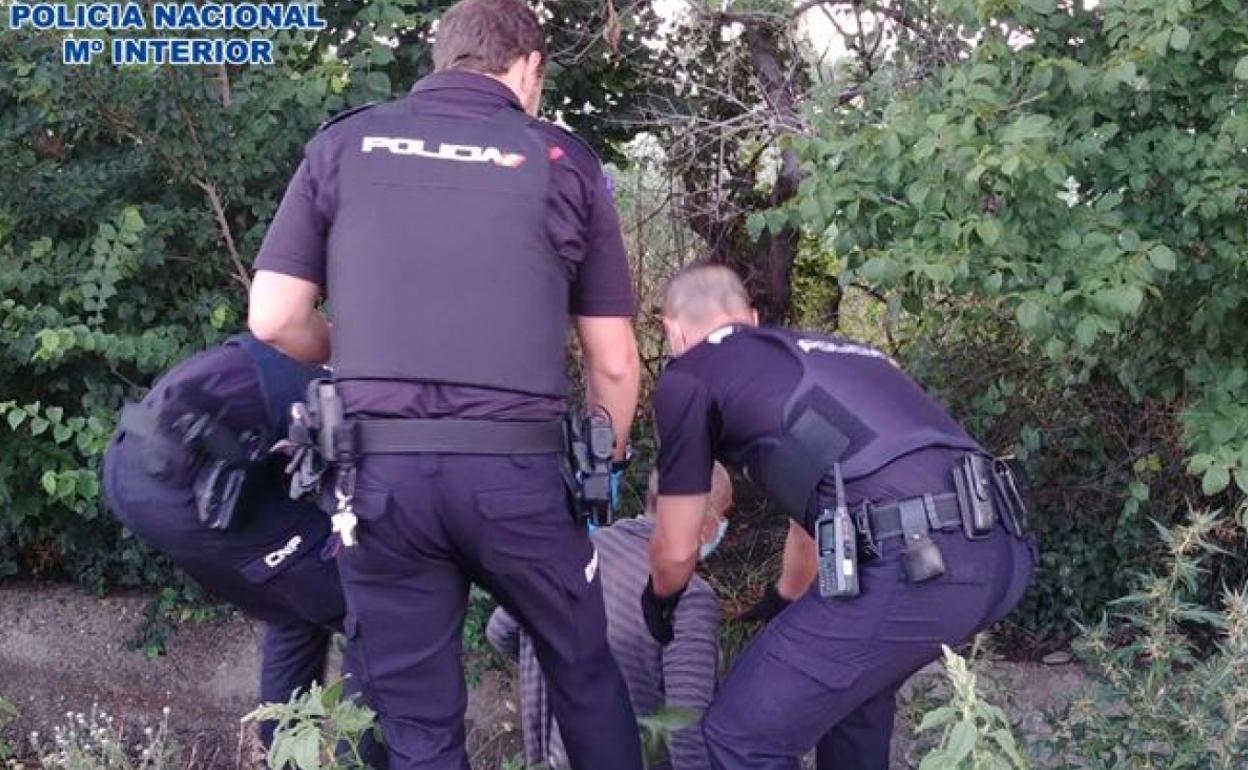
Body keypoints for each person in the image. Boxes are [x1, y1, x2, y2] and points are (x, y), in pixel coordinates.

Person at [245, 0, 645, 767]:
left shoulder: (345, 143)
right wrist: (606, 467)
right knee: (583, 672)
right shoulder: (562, 160)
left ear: (444, 58)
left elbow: (272, 316)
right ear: (527, 67)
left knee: (418, 727)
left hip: (379, 482)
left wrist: (351, 354)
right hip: (519, 480)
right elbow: (615, 361)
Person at [642, 265, 1036, 770]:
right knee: (856, 702)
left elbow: (676, 549)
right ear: (754, 319)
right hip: (1001, 544)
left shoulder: (691, 373)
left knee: (738, 739)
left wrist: (660, 598)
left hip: (917, 558)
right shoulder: (844, 357)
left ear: (672, 328)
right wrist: (785, 596)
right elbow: (822, 502)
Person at [100, 335, 359, 752]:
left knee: (296, 605)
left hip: (141, 463)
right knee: (367, 608)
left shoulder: (290, 345)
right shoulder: (350, 383)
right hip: (179, 482)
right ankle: (363, 757)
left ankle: (286, 757)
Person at [487, 464, 731, 770]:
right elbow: (686, 727)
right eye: (723, 515)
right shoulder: (689, 598)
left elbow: (500, 630)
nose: (722, 528)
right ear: (703, 520)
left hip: (558, 751)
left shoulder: (578, 553)